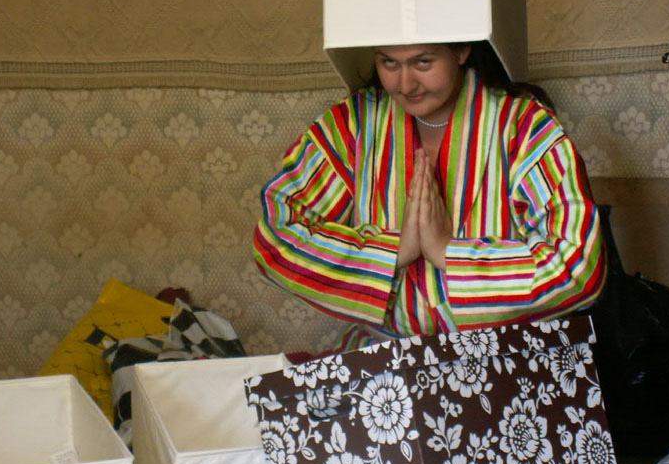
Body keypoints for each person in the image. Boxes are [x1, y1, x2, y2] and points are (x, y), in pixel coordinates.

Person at [252, 39, 606, 348]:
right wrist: (392, 252)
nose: (406, 84)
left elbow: (579, 267)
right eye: (389, 62)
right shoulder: (354, 124)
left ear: (462, 50)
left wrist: (448, 252)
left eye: (423, 62)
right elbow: (276, 239)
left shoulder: (522, 126)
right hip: (385, 369)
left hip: (506, 366)